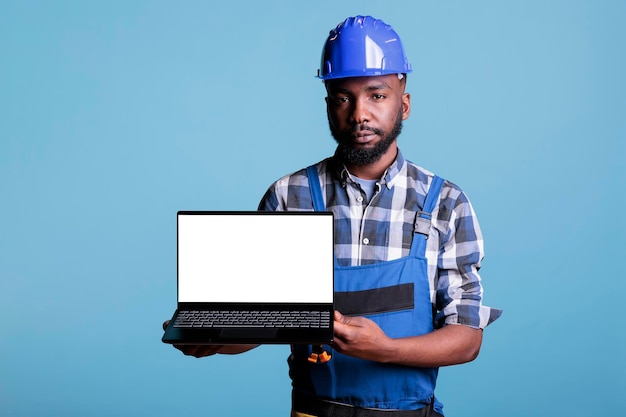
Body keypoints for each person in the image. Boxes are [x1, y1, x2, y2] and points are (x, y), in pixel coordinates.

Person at [164, 15, 501, 417]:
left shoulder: (446, 203)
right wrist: (216, 336)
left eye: (377, 95)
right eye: (344, 97)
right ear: (328, 105)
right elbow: (265, 323)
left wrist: (386, 350)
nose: (359, 114)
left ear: (404, 104)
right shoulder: (289, 196)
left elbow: (467, 338)